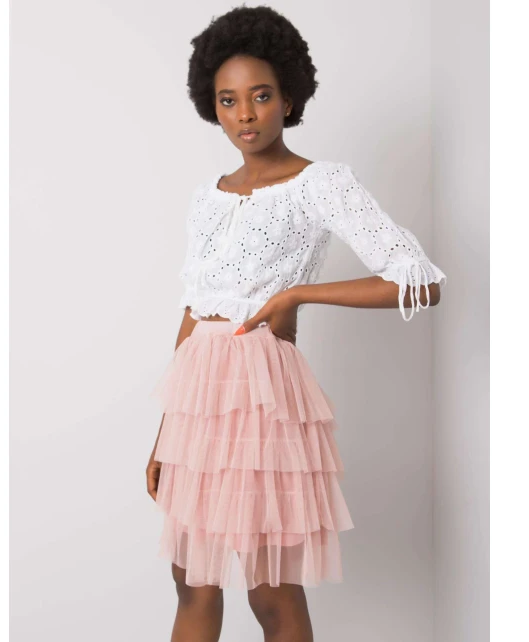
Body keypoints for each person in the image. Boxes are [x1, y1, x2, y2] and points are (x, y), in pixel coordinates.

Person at [146, 5, 447, 641]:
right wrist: (165, 434)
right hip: (198, 399)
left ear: (288, 97)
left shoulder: (320, 183)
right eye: (228, 100)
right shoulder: (207, 195)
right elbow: (194, 309)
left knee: (270, 590)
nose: (245, 115)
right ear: (212, 106)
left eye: (260, 96)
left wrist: (299, 294)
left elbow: (420, 281)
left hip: (262, 396)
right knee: (191, 579)